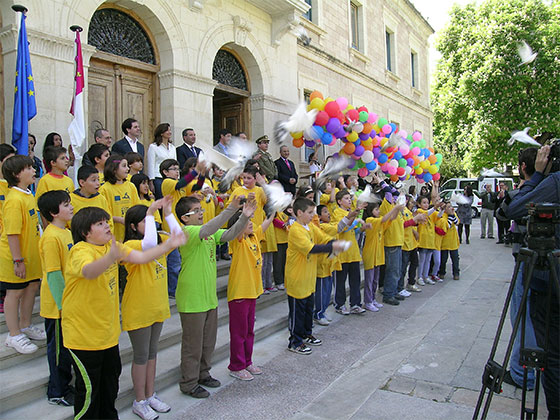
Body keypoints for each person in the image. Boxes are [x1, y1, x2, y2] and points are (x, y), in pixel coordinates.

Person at [62, 206, 186, 419]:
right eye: (100, 224)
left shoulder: (112, 246)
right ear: (86, 233)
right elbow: (89, 272)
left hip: (108, 334)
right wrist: (111, 256)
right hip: (83, 336)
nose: (107, 226)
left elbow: (142, 257)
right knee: (89, 391)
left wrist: (170, 244)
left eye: (107, 222)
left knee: (110, 384)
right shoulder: (80, 251)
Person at [174, 194, 253, 398]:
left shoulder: (206, 233)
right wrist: (230, 208)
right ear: (185, 218)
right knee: (193, 344)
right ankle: (188, 382)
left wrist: (243, 217)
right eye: (197, 211)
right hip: (192, 298)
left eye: (202, 210)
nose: (201, 213)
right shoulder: (187, 232)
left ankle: (203, 374)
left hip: (208, 296)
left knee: (208, 342)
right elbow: (208, 229)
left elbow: (228, 234)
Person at [504, 144, 559, 420]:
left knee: (546, 343)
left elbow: (513, 209)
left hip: (546, 275)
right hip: (540, 265)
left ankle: (529, 381)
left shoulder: (552, 183)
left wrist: (536, 177)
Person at [122, 199, 180, 419]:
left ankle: (150, 393)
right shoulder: (130, 246)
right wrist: (149, 211)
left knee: (152, 353)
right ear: (133, 226)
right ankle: (140, 400)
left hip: (157, 305)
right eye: (146, 222)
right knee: (141, 355)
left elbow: (178, 237)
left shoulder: (158, 243)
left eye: (153, 222)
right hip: (139, 308)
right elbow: (146, 245)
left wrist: (166, 213)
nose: (152, 225)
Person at [285, 197, 345, 354]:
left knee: (307, 309)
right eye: (310, 212)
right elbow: (310, 248)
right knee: (297, 312)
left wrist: (332, 242)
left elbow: (323, 237)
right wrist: (331, 247)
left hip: (309, 277)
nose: (313, 215)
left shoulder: (310, 226)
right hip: (297, 278)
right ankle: (295, 341)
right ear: (299, 212)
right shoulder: (295, 230)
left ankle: (306, 333)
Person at [0, 155, 45, 354]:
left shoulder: (28, 194)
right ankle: (14, 333)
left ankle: (25, 324)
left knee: (32, 287)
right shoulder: (13, 200)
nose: (34, 170)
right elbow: (12, 233)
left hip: (32, 253)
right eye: (29, 168)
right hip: (15, 256)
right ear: (17, 174)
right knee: (15, 292)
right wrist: (18, 260)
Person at [226, 203, 273, 380]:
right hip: (240, 293)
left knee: (249, 331)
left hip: (252, 292)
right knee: (239, 332)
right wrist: (242, 216)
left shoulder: (253, 238)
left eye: (250, 220)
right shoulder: (238, 242)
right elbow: (238, 231)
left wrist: (273, 210)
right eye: (247, 221)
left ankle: (247, 361)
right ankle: (236, 366)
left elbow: (266, 224)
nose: (251, 223)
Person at [37, 190, 74, 407]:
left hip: (69, 303)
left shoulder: (66, 232)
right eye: (65, 205)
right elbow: (53, 274)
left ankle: (64, 384)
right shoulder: (51, 237)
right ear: (53, 212)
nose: (70, 207)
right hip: (57, 307)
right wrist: (64, 305)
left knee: (66, 350)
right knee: (58, 351)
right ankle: (57, 390)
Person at [362, 201, 403, 312]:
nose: (379, 211)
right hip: (370, 254)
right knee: (369, 280)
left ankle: (373, 299)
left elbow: (391, 219)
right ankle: (367, 301)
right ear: (370, 211)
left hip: (378, 255)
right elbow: (385, 219)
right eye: (376, 209)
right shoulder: (370, 220)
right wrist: (395, 208)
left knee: (375, 279)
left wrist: (398, 209)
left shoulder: (379, 222)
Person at [332, 189, 367, 314]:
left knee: (355, 280)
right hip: (342, 253)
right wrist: (355, 215)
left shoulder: (350, 212)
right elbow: (343, 228)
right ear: (339, 201)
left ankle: (355, 304)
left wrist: (362, 228)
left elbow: (353, 231)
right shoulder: (337, 212)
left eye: (349, 198)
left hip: (353, 252)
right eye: (346, 198)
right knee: (340, 281)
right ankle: (339, 304)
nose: (349, 200)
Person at [99, 155, 140, 242]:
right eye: (124, 166)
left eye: (128, 166)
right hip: (114, 235)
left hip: (131, 234)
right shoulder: (105, 189)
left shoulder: (131, 186)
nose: (128, 169)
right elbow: (104, 214)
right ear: (114, 169)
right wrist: (118, 219)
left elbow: (137, 207)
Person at [314, 204, 336, 324]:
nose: (328, 213)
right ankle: (318, 313)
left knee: (327, 291)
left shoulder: (330, 225)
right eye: (325, 212)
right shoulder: (322, 227)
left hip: (329, 264)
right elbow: (339, 228)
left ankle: (323, 310)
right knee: (321, 292)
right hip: (321, 265)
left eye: (328, 211)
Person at [147, 123, 177, 199]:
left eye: (170, 130)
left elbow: (175, 163)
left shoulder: (172, 147)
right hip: (158, 177)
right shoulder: (153, 147)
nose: (169, 132)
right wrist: (151, 181)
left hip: (171, 178)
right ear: (161, 133)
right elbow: (151, 164)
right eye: (167, 130)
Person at [402, 195, 421, 293]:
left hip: (412, 243)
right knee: (403, 266)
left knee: (415, 263)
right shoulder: (403, 212)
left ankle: (411, 283)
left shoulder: (409, 212)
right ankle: (400, 287)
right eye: (411, 202)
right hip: (405, 243)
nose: (412, 204)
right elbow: (404, 224)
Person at [438, 202, 461, 281]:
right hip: (444, 242)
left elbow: (457, 222)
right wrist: (450, 216)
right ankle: (441, 272)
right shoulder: (443, 216)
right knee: (443, 258)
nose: (451, 208)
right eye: (448, 207)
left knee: (455, 258)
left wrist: (452, 215)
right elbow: (447, 225)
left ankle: (456, 273)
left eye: (451, 206)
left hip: (453, 241)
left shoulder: (454, 214)